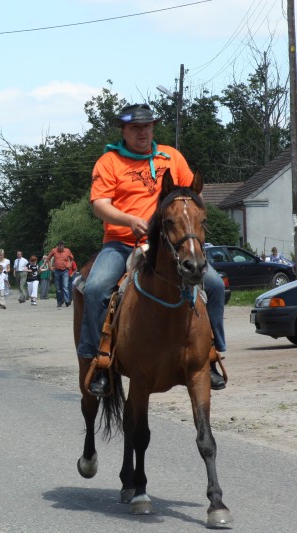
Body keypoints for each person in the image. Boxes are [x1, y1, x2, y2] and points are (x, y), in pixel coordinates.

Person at [79, 103, 226, 395]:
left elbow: (191, 196)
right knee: (95, 288)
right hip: (121, 243)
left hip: (167, 246)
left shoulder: (171, 157)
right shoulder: (109, 162)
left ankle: (212, 354)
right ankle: (98, 361)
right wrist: (129, 220)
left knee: (215, 285)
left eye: (146, 126)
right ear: (123, 131)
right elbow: (100, 205)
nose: (142, 132)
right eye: (135, 128)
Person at [46, 241, 75, 308]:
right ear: (57, 246)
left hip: (65, 271)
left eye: (62, 246)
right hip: (57, 271)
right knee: (58, 288)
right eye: (59, 246)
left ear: (63, 246)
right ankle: (59, 301)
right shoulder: (54, 250)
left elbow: (72, 258)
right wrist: (50, 266)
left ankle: (67, 301)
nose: (60, 247)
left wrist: (70, 264)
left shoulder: (67, 250)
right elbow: (48, 259)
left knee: (65, 286)